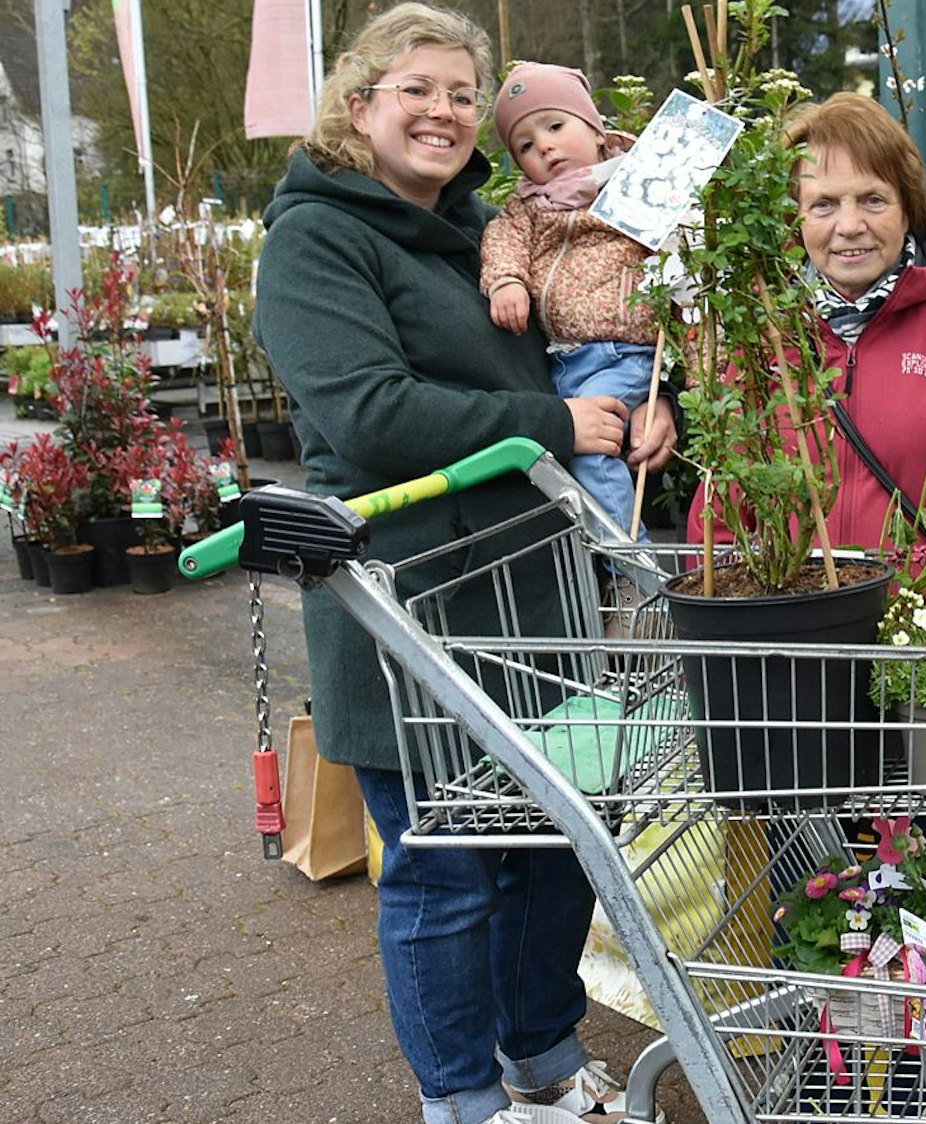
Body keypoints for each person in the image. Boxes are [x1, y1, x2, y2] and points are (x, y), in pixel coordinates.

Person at [252, 5, 672, 1122]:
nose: (440, 110)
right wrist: (554, 421)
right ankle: (459, 1097)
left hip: (537, 589)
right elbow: (369, 412)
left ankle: (538, 1054)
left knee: (552, 842)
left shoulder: (488, 226)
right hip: (409, 599)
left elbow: (592, 325)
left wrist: (641, 394)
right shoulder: (314, 238)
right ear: (360, 106)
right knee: (441, 863)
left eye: (456, 92)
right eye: (414, 88)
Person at [687, 91, 926, 547]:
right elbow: (722, 518)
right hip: (794, 613)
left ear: (908, 209)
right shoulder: (766, 329)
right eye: (824, 204)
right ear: (795, 217)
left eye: (873, 200)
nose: (849, 225)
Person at [483, 61, 663, 541]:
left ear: (596, 128)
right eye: (525, 144)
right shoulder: (529, 208)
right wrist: (506, 282)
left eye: (556, 125)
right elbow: (501, 240)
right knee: (554, 458)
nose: (544, 145)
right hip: (560, 360)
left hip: (623, 352)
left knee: (590, 451)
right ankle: (603, 561)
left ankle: (632, 561)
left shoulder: (636, 183)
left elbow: (682, 253)